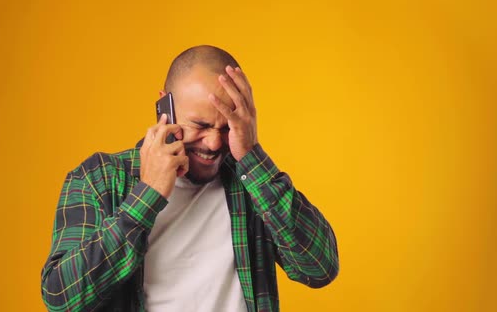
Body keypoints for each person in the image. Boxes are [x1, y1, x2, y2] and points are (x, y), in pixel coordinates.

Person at [41, 45, 339, 312]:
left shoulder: (251, 184)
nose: (213, 143)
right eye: (200, 124)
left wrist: (251, 155)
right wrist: (148, 195)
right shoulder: (101, 178)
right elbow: (61, 298)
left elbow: (319, 268)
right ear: (164, 109)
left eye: (227, 127)